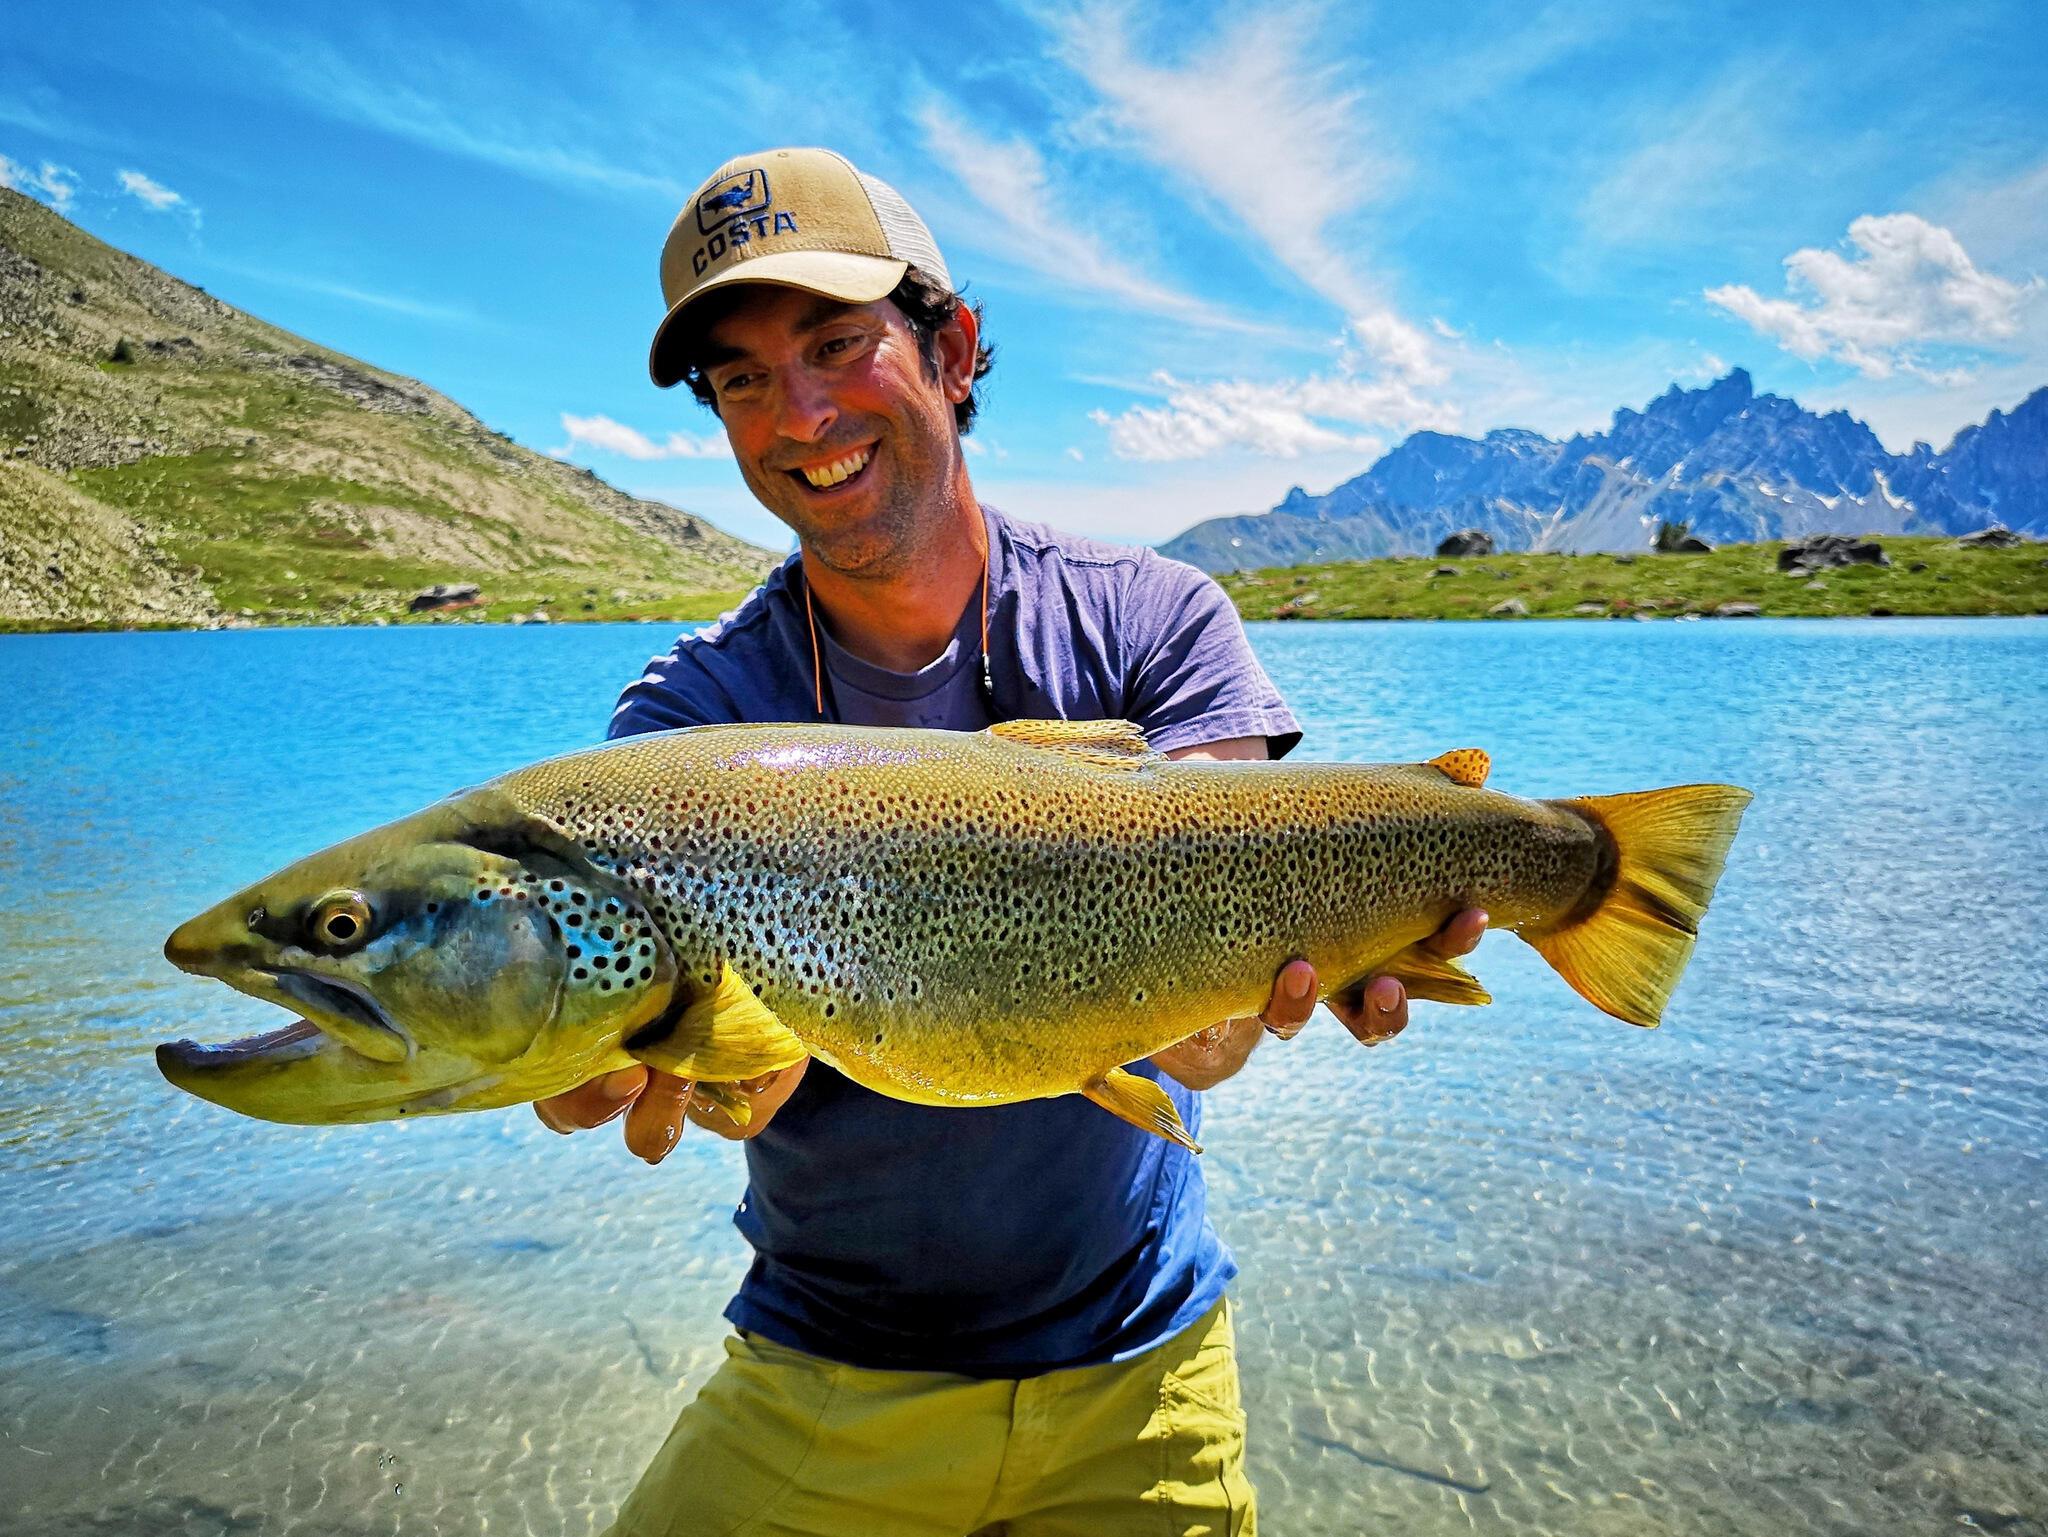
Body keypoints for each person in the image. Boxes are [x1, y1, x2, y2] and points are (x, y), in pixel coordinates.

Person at [539, 146, 1485, 1537]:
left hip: (1143, 1378)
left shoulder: (1154, 620)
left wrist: (1254, 998)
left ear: (955, 346)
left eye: (838, 343)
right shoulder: (692, 721)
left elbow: (1219, 973)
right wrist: (602, 1067)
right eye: (741, 378)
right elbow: (633, 1061)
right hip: (825, 1377)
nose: (799, 414)